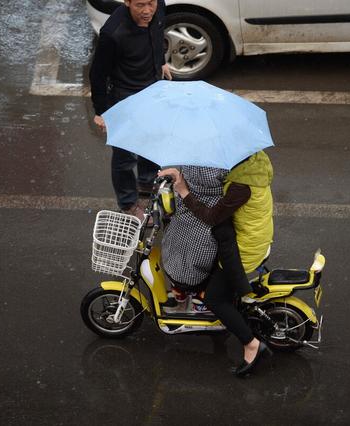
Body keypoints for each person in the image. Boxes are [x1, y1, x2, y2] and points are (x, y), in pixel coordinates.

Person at [159, 150, 274, 376]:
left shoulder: (241, 184)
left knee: (215, 299)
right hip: (256, 234)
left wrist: (183, 190)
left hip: (246, 248)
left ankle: (251, 345)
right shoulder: (253, 163)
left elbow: (211, 217)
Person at [89, 0, 172, 222]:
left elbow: (157, 34)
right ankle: (127, 203)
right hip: (124, 96)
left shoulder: (158, 8)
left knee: (152, 141)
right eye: (140, 5)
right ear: (127, 2)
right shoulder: (113, 32)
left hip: (153, 89)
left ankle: (147, 183)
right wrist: (101, 111)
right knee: (125, 156)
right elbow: (97, 74)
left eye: (151, 4)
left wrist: (160, 62)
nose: (147, 11)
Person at [160, 166, 229, 311]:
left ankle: (182, 300)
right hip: (211, 225)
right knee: (204, 268)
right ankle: (200, 306)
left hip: (187, 214)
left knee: (177, 258)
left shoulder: (192, 162)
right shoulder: (225, 166)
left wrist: (179, 181)